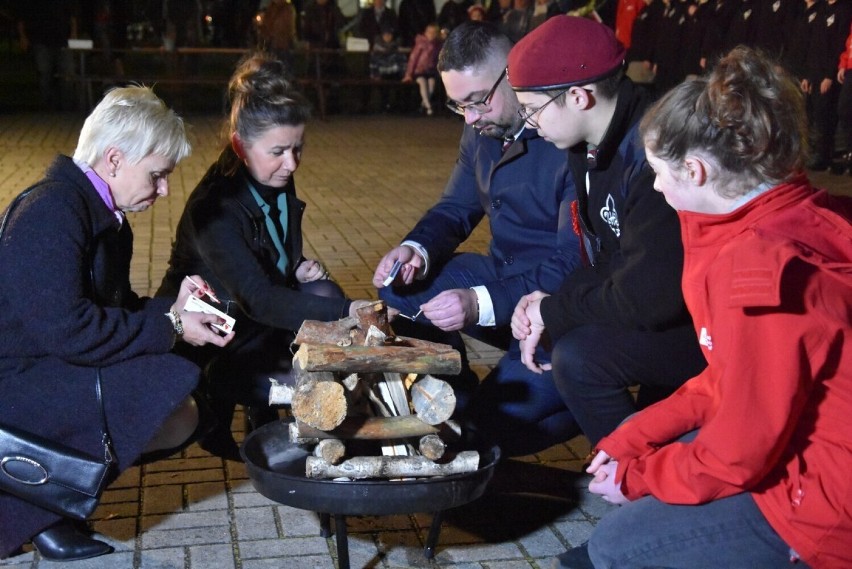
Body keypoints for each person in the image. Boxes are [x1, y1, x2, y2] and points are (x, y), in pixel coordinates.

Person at [560, 45, 852, 569]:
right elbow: (730, 379)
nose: (653, 184)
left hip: (828, 504)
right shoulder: (776, 214)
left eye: (657, 170)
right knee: (662, 467)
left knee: (612, 548)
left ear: (694, 171)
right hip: (809, 446)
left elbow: (741, 449)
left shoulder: (758, 272)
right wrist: (636, 437)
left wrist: (639, 477)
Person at [0, 86, 232, 561]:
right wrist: (170, 327)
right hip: (13, 383)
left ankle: (47, 503)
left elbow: (117, 308)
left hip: (45, 367)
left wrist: (178, 307)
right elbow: (70, 329)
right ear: (113, 161)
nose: (164, 189)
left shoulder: (100, 213)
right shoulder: (51, 209)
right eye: (158, 175)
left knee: (182, 394)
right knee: (167, 392)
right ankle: (40, 500)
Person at [374, 21, 582, 456]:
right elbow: (455, 208)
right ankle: (455, 388)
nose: (469, 118)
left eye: (476, 102)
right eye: (458, 106)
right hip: (502, 279)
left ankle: (582, 406)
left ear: (514, 72)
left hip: (556, 307)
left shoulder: (565, 131)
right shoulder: (482, 125)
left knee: (481, 432)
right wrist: (414, 249)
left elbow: (573, 260)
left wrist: (477, 303)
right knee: (397, 286)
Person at [157, 54, 373, 461]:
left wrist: (294, 265)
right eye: (279, 151)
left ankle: (281, 414)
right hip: (215, 330)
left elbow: (268, 246)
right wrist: (351, 309)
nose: (291, 164)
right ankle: (217, 391)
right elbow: (257, 297)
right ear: (240, 144)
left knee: (323, 291)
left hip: (251, 312)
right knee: (330, 313)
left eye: (298, 149)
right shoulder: (215, 207)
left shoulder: (268, 171)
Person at [508, 16, 706, 448]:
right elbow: (607, 259)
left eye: (532, 109)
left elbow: (649, 298)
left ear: (578, 96)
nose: (528, 123)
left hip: (711, 333)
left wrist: (557, 312)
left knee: (579, 356)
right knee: (508, 417)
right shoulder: (588, 145)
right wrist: (549, 306)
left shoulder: (655, 156)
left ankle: (645, 475)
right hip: (662, 305)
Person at [403, 22, 443, 115]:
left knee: (432, 84)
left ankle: (423, 104)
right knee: (422, 83)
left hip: (430, 71)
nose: (431, 35)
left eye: (434, 32)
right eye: (429, 32)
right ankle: (428, 107)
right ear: (425, 33)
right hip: (419, 70)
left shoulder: (438, 45)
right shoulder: (420, 43)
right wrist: (408, 74)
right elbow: (413, 59)